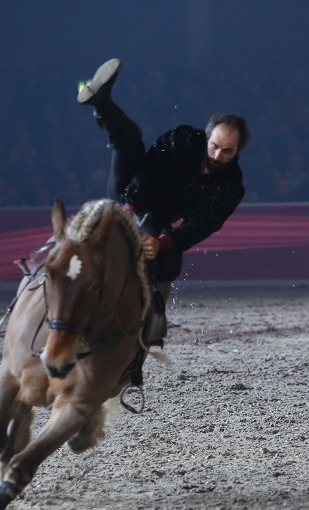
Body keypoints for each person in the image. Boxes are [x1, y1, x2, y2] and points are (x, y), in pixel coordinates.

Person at [78, 58, 249, 388]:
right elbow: (150, 172)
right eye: (214, 146)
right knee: (129, 139)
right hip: (132, 189)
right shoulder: (184, 139)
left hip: (159, 219)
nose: (217, 156)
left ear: (238, 150)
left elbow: (201, 225)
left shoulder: (232, 186)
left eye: (227, 152)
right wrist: (128, 206)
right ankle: (101, 102)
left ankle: (141, 340)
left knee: (165, 266)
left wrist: (164, 241)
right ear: (207, 135)